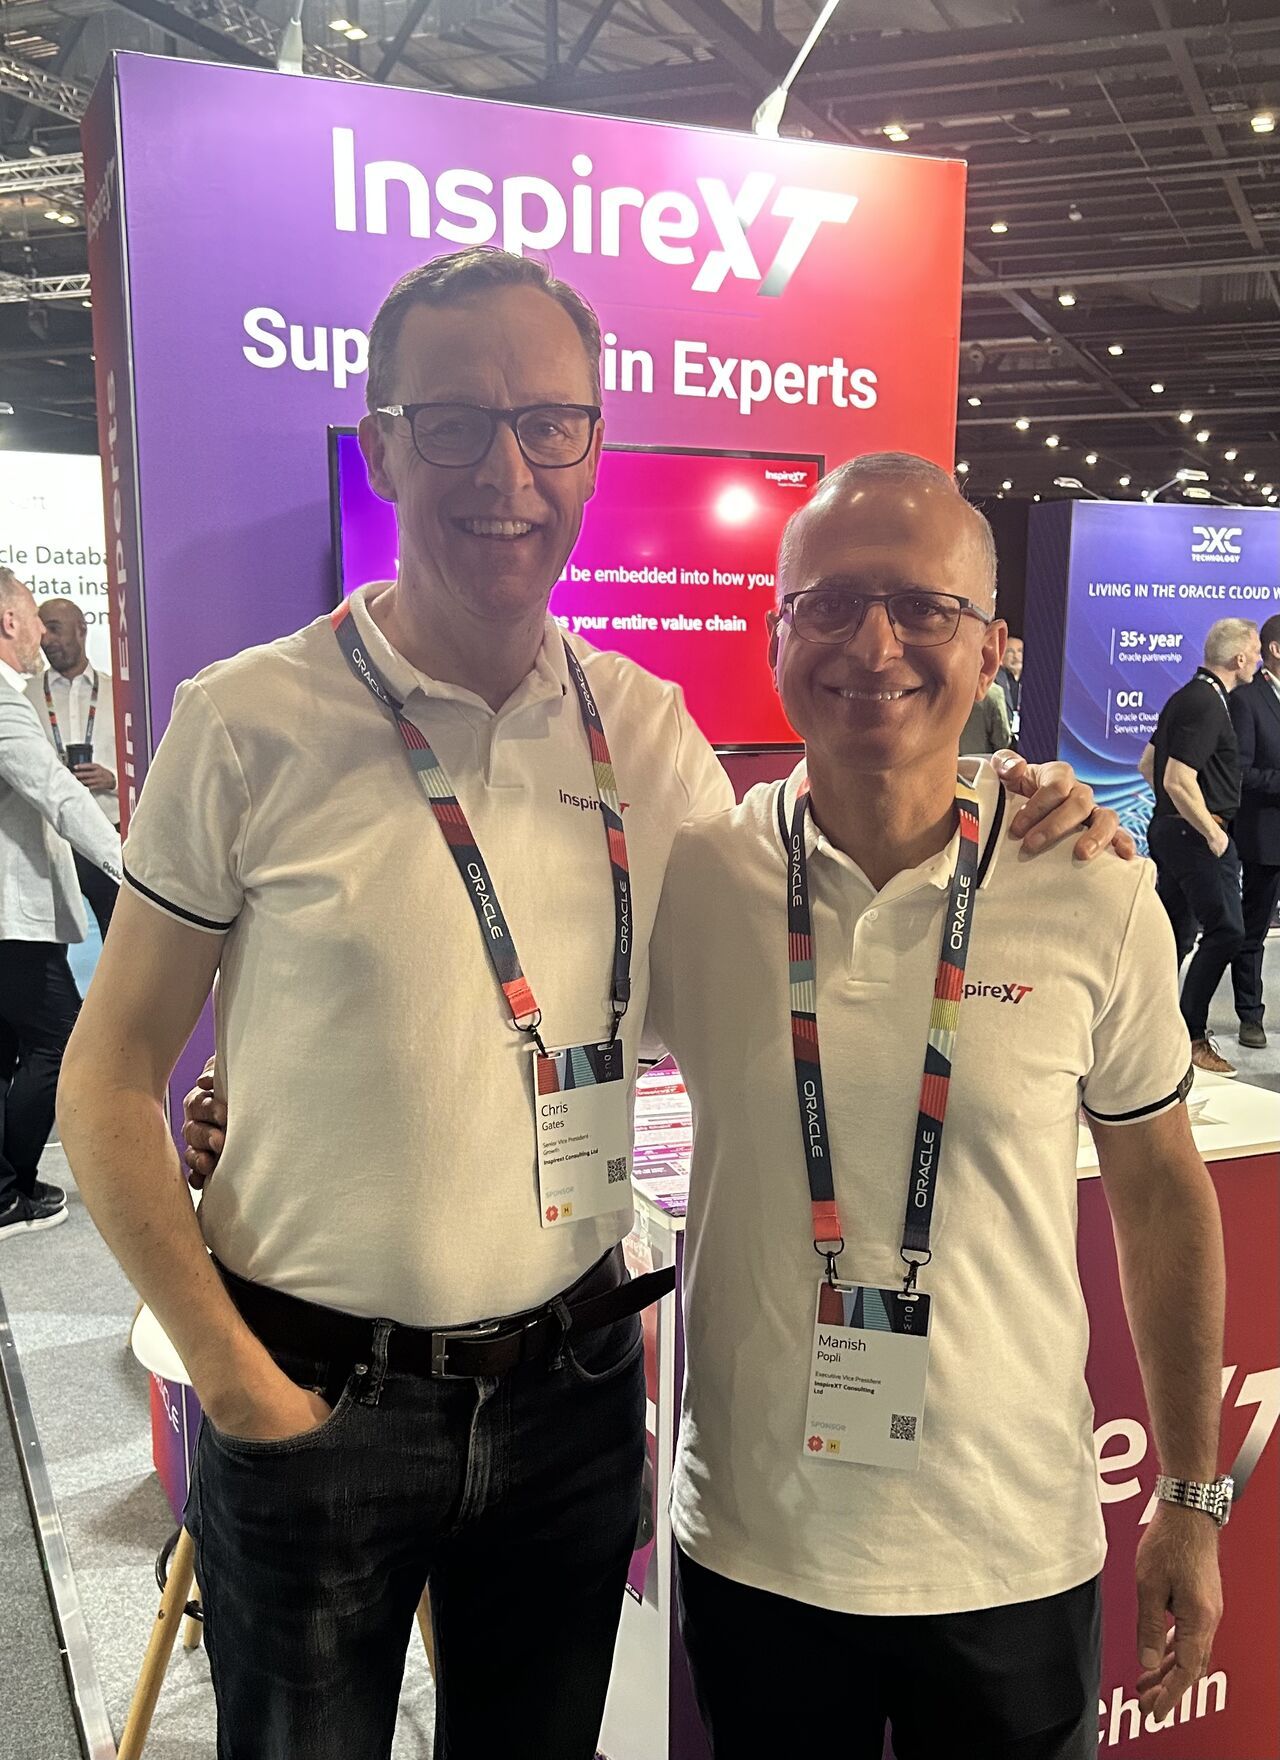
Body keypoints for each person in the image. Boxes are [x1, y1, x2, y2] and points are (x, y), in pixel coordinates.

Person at [63, 250, 1117, 1760]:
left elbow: (811, 898)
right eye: (454, 422)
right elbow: (104, 1081)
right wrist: (230, 1378)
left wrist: (1009, 802)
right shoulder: (247, 721)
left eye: (547, 424)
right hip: (315, 1393)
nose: (506, 472)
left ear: (591, 451)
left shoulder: (646, 726)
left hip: (567, 1392)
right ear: (383, 447)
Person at [645, 455, 1228, 1760]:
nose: (874, 646)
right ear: (776, 633)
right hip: (758, 1545)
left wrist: (1190, 1494)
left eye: (923, 607)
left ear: (990, 648)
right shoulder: (699, 876)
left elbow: (1159, 1192)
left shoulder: (1092, 885)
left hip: (1009, 1551)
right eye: (831, 603)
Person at [0, 568, 122, 1243]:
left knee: (9, 1048)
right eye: (33, 620)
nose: (41, 638)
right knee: (59, 1040)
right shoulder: (7, 700)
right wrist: (127, 866)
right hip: (11, 918)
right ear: (9, 621)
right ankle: (8, 1190)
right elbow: (57, 792)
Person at [1139, 618, 1260, 1077]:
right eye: (1255, 651)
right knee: (1227, 930)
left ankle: (1152, 1033)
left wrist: (1175, 817)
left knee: (1174, 936)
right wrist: (1211, 832)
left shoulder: (1188, 697)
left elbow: (1147, 764)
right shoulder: (1206, 702)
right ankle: (1189, 1036)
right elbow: (1175, 777)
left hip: (1176, 833)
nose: (1258, 659)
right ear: (1240, 658)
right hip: (1196, 837)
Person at [28, 597, 120, 936]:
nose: (47, 640)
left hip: (108, 829)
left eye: (55, 629)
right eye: (42, 631)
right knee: (51, 943)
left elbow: (147, 763)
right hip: (50, 839)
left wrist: (113, 780)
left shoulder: (118, 692)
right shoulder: (26, 696)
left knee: (118, 935)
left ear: (82, 629)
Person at [1228, 611, 1280, 1048]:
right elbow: (1240, 773)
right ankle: (1250, 1015)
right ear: (1275, 650)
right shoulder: (1247, 700)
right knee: (1254, 930)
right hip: (1266, 836)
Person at [958, 675, 1010, 755]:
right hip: (985, 758)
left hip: (953, 760)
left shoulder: (947, 689)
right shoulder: (994, 692)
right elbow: (1001, 739)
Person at [996, 632, 1023, 732]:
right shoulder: (993, 681)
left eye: (1020, 651)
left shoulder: (1035, 682)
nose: (1016, 656)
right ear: (1001, 657)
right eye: (1010, 651)